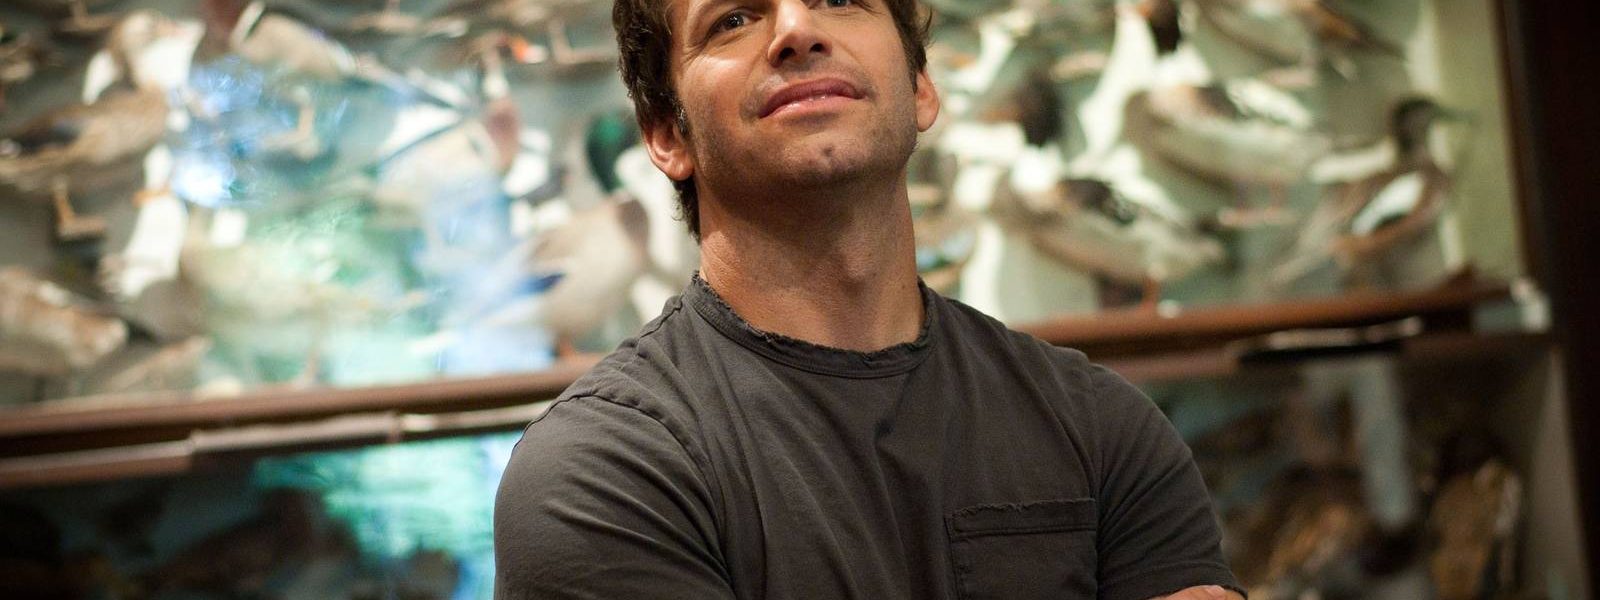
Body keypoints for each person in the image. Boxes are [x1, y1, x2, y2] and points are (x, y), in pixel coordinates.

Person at [493, 0, 1246, 597]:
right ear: (667, 135)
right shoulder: (605, 472)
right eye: (734, 18)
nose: (796, 30)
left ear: (920, 87)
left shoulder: (1104, 429)